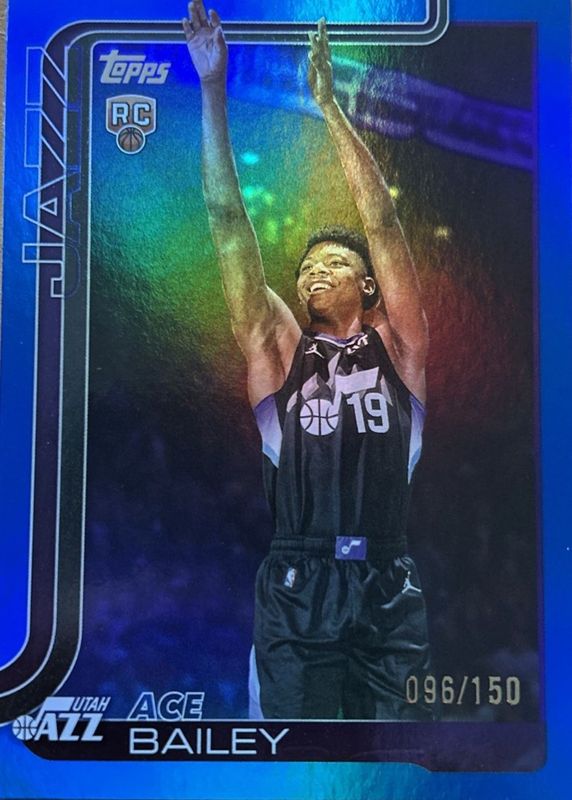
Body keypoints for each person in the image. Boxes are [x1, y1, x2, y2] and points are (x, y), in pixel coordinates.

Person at [184, 4, 432, 720]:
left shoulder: (400, 348)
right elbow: (227, 224)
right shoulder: (283, 352)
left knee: (396, 765)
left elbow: (382, 221)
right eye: (305, 268)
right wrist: (212, 88)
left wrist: (328, 107)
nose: (314, 271)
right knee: (296, 763)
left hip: (386, 579)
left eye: (333, 262)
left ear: (370, 286)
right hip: (298, 582)